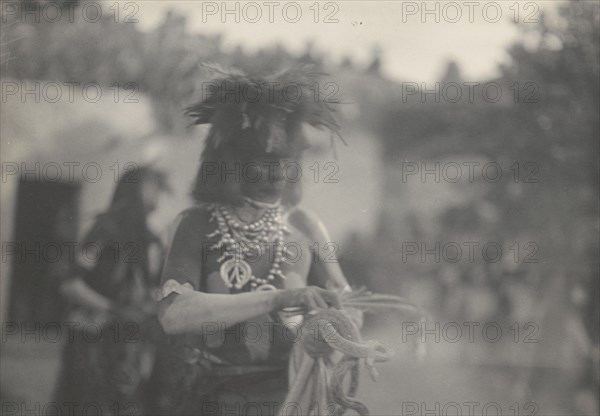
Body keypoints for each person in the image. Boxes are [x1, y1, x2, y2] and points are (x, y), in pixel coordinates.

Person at [154, 66, 351, 415]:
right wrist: (280, 298)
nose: (278, 174)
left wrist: (331, 329)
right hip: (210, 399)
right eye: (264, 162)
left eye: (286, 162)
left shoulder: (306, 226)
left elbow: (348, 309)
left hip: (289, 401)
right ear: (232, 164)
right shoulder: (198, 223)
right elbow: (174, 315)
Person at [54, 166, 168, 415]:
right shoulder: (105, 229)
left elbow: (151, 288)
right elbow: (71, 284)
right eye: (152, 186)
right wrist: (113, 309)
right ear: (134, 189)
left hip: (128, 344)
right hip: (93, 338)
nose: (158, 194)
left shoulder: (149, 237)